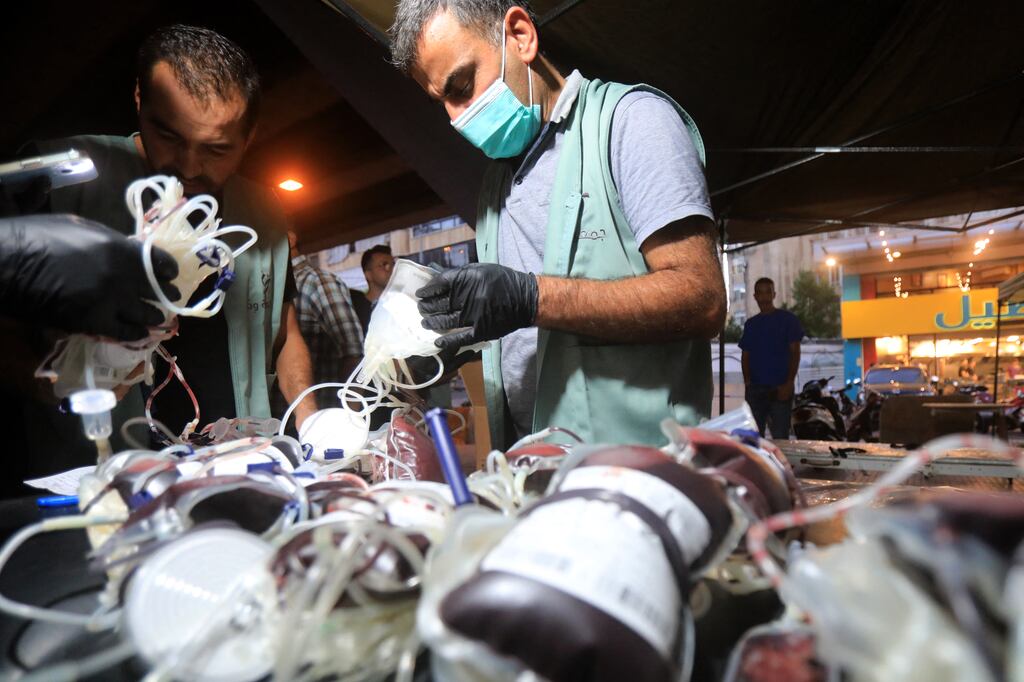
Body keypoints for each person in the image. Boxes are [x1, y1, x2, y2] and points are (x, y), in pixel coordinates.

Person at [389, 1, 726, 448]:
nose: (456, 117)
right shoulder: (496, 185)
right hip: (531, 464)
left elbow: (701, 299)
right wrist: (454, 343)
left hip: (638, 467)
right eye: (444, 102)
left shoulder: (630, 122)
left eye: (464, 85)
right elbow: (519, 330)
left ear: (521, 35)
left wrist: (532, 297)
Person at [28, 24, 318, 443]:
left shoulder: (264, 212)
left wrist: (312, 420)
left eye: (217, 148)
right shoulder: (60, 177)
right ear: (139, 99)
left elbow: (286, 335)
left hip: (235, 455)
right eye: (168, 134)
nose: (189, 167)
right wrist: (44, 381)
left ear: (249, 137)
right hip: (99, 457)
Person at [289, 232, 364, 407]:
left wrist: (351, 418)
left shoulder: (317, 281)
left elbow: (353, 354)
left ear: (290, 238)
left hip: (317, 419)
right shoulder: (278, 286)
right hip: (281, 419)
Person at [739, 278, 804, 439]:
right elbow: (745, 355)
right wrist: (747, 383)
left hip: (780, 389)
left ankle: (780, 465)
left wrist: (789, 383)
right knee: (753, 438)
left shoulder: (788, 320)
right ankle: (761, 465)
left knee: (781, 438)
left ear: (774, 294)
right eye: (760, 293)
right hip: (755, 391)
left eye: (768, 292)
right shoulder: (751, 325)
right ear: (754, 296)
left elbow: (795, 352)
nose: (764, 296)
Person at [349, 244, 395, 334]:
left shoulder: (403, 304)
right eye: (384, 265)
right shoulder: (357, 313)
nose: (392, 269)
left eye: (393, 264)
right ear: (368, 275)